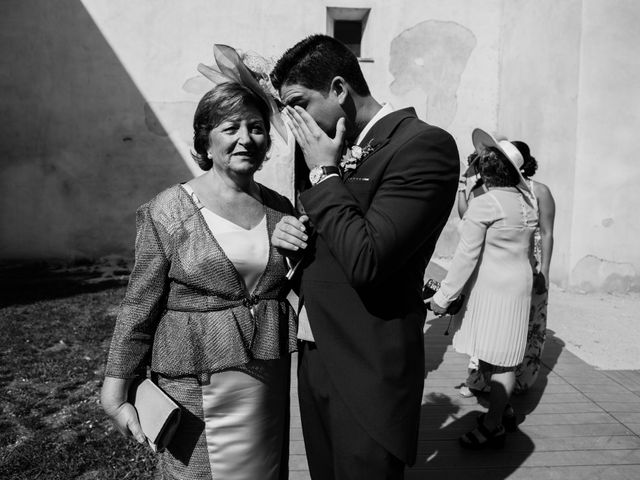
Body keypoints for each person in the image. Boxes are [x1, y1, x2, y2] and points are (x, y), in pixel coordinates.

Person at [270, 35, 459, 479]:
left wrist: (323, 172)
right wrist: (293, 244)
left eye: (298, 103)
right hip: (315, 351)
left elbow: (367, 260)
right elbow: (333, 240)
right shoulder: (327, 149)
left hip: (368, 361)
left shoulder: (422, 146)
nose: (292, 120)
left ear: (339, 89)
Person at [101, 77, 297, 479]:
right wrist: (115, 387)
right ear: (206, 141)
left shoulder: (280, 208)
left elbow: (292, 287)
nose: (247, 138)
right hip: (194, 386)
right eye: (231, 128)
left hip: (265, 384)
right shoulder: (169, 210)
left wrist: (298, 254)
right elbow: (140, 304)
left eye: (257, 128)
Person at [428, 129, 538, 449]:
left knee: (497, 356)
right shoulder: (525, 200)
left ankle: (492, 426)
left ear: (490, 168)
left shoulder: (487, 203)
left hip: (493, 286)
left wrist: (443, 296)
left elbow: (465, 256)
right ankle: (502, 413)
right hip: (518, 284)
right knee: (499, 352)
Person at [458, 141, 556, 397]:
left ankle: (515, 384)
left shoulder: (540, 191)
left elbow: (547, 233)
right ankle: (482, 378)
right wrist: (463, 186)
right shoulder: (491, 190)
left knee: (528, 327)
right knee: (494, 327)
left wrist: (544, 270)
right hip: (501, 264)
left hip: (530, 262)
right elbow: (468, 218)